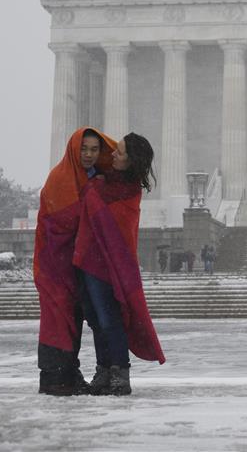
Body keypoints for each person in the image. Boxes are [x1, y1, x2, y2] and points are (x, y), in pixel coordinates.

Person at [75, 132, 166, 396]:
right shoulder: (102, 181)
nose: (112, 153)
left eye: (120, 152)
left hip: (110, 263)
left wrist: (94, 191)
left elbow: (121, 230)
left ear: (131, 160)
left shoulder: (127, 190)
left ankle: (120, 373)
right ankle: (103, 371)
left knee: (109, 320)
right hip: (89, 259)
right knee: (94, 319)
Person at [34, 127, 115, 396]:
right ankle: (55, 377)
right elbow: (60, 223)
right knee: (58, 318)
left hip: (76, 263)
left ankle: (68, 373)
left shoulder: (90, 176)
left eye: (94, 150)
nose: (89, 155)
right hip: (55, 262)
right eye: (84, 149)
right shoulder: (60, 178)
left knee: (74, 316)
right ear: (73, 149)